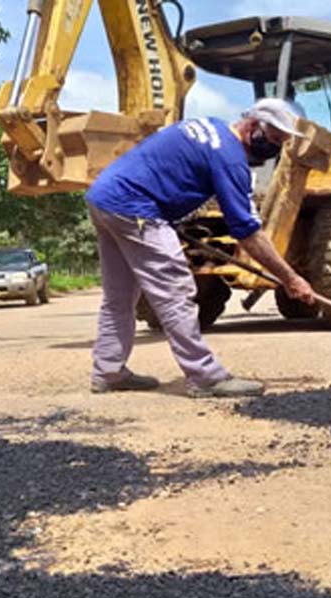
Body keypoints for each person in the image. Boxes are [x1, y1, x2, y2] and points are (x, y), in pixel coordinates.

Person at [84, 98, 316, 398]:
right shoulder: (231, 157)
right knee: (177, 290)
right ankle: (205, 376)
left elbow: (171, 169)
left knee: (120, 295)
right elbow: (248, 233)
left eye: (281, 142)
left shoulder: (210, 127)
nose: (274, 148)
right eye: (273, 139)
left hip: (105, 198)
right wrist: (290, 278)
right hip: (135, 206)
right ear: (253, 125)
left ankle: (108, 371)